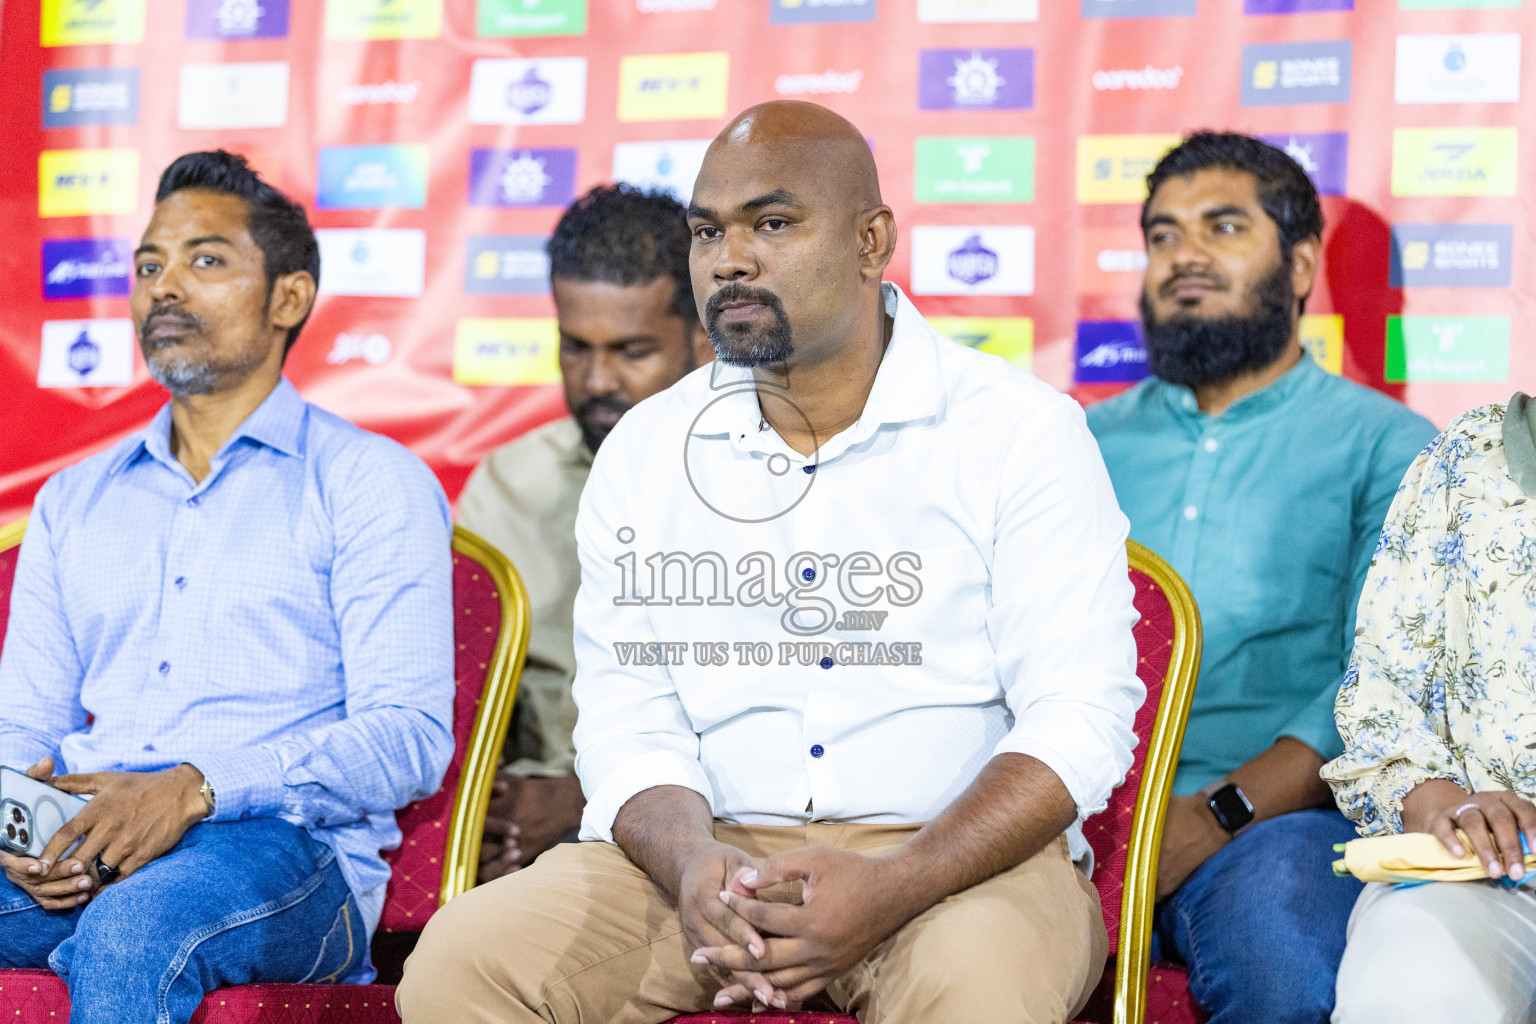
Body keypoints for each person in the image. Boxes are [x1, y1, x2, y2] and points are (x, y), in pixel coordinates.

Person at [398, 100, 1143, 1023]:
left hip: (955, 870)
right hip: (706, 864)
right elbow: (631, 722)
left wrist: (897, 882)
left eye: (773, 223)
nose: (729, 258)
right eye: (708, 230)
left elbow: (1079, 719)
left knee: (976, 992)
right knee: (466, 961)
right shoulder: (648, 448)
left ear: (872, 241)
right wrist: (691, 862)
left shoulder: (1019, 431)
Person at [0, 151, 454, 1023]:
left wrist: (198, 785)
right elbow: (25, 720)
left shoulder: (366, 481)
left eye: (206, 260)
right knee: (113, 915)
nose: (166, 286)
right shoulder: (75, 498)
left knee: (135, 929)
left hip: (282, 851)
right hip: (80, 838)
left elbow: (407, 739)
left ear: (288, 298)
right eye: (149, 265)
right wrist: (19, 822)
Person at [1086, 132, 1438, 1024]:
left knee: (1280, 952)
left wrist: (1219, 814)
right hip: (1073, 817)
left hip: (1275, 825)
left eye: (1224, 227)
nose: (1184, 256)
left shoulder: (1388, 449)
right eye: (1163, 235)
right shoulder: (1077, 444)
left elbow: (1381, 681)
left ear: (1302, 263)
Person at [457, 184, 710, 880]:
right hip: (524, 834)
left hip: (705, 815)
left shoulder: (767, 480)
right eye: (576, 347)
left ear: (703, 334)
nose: (598, 380)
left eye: (632, 351)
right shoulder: (508, 484)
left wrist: (583, 796)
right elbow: (458, 696)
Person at [1325, 394, 1536, 1024]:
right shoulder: (1471, 454)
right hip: (1494, 872)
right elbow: (1383, 691)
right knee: (1409, 984)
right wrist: (1446, 803)